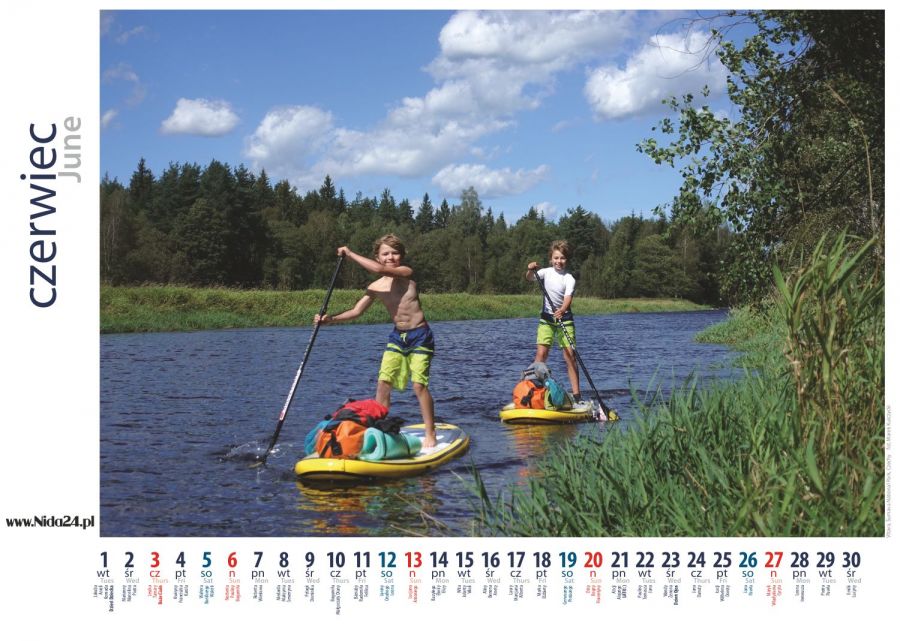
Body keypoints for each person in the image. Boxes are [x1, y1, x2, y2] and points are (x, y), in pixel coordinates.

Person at [314, 234, 437, 449]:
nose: (390, 257)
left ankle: (431, 432)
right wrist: (329, 320)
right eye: (385, 253)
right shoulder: (376, 286)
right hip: (397, 338)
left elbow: (381, 270)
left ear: (401, 256)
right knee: (383, 384)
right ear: (378, 257)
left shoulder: (405, 273)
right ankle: (381, 430)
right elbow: (356, 311)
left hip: (420, 336)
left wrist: (350, 253)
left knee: (418, 386)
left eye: (395, 252)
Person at [526, 240, 581, 400]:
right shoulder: (545, 272)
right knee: (541, 354)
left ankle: (577, 394)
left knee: (569, 355)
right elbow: (529, 278)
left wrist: (562, 310)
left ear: (566, 260)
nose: (559, 261)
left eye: (562, 258)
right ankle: (534, 391)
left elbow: (568, 298)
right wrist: (530, 270)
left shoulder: (569, 278)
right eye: (556, 258)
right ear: (551, 259)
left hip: (565, 320)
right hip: (547, 320)